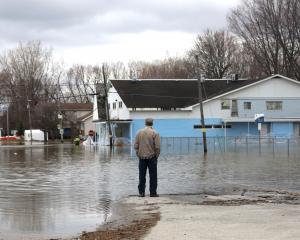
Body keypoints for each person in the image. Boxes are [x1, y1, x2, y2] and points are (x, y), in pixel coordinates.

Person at [134, 118, 160, 197]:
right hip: (152, 157)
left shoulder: (139, 132)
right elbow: (157, 147)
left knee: (141, 176)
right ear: (152, 124)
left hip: (141, 157)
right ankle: (153, 193)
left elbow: (136, 145)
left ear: (145, 123)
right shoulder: (155, 133)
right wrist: (156, 156)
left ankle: (141, 193)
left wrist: (138, 154)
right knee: (153, 176)